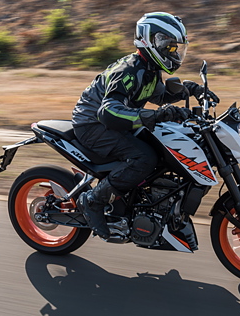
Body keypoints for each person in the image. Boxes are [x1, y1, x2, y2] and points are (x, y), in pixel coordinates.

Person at [71, 12, 220, 239]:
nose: (173, 51)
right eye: (168, 46)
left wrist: (192, 89)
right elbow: (108, 111)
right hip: (92, 124)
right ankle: (92, 201)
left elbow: (160, 96)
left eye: (175, 48)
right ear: (151, 40)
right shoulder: (130, 71)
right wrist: (154, 116)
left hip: (116, 122)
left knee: (162, 151)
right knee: (144, 158)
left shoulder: (149, 69)